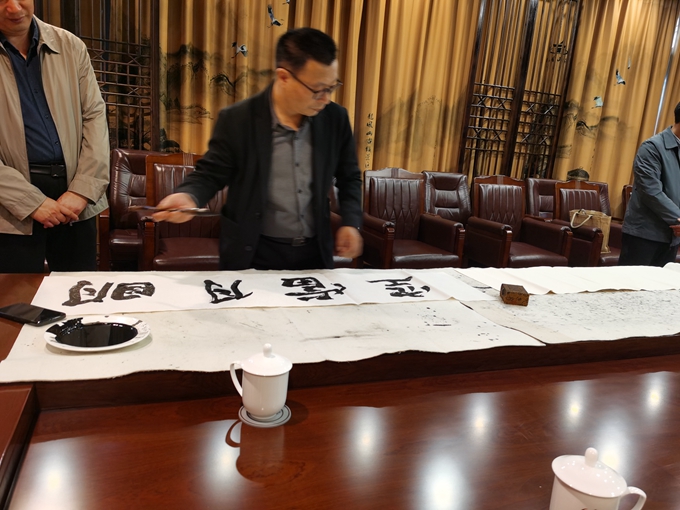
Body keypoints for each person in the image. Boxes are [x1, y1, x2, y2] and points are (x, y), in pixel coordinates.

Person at [153, 28, 363, 271]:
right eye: (317, 89)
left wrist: (351, 222)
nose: (325, 99)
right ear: (284, 77)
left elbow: (349, 177)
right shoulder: (239, 119)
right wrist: (188, 196)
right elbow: (211, 173)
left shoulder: (335, 118)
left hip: (314, 252)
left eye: (331, 87)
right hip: (253, 252)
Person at [0, 0, 110, 273]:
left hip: (74, 199)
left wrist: (82, 190)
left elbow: (95, 117)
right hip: (8, 206)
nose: (14, 8)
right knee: (17, 295)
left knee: (80, 291)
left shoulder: (70, 45)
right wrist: (31, 202)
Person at [619, 101, 680, 266]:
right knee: (630, 282)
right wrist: (678, 219)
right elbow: (651, 192)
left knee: (660, 282)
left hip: (672, 236)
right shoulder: (652, 147)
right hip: (644, 234)